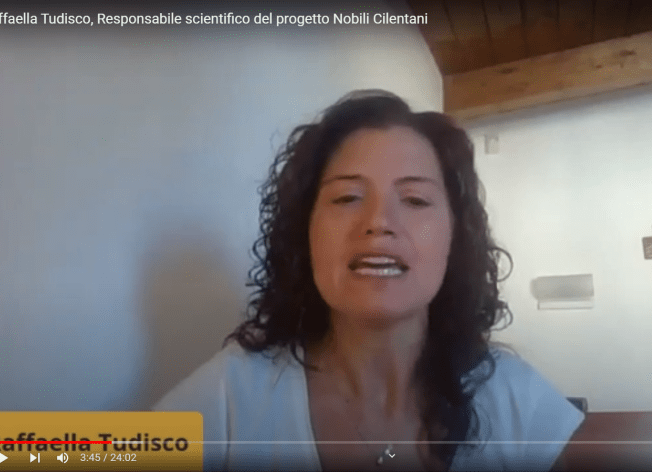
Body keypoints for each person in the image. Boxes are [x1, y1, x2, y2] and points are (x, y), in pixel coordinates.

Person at [153, 90, 584, 471]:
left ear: (455, 236)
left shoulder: (515, 399)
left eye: (415, 200)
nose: (379, 222)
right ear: (305, 231)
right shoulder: (231, 396)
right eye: (347, 197)